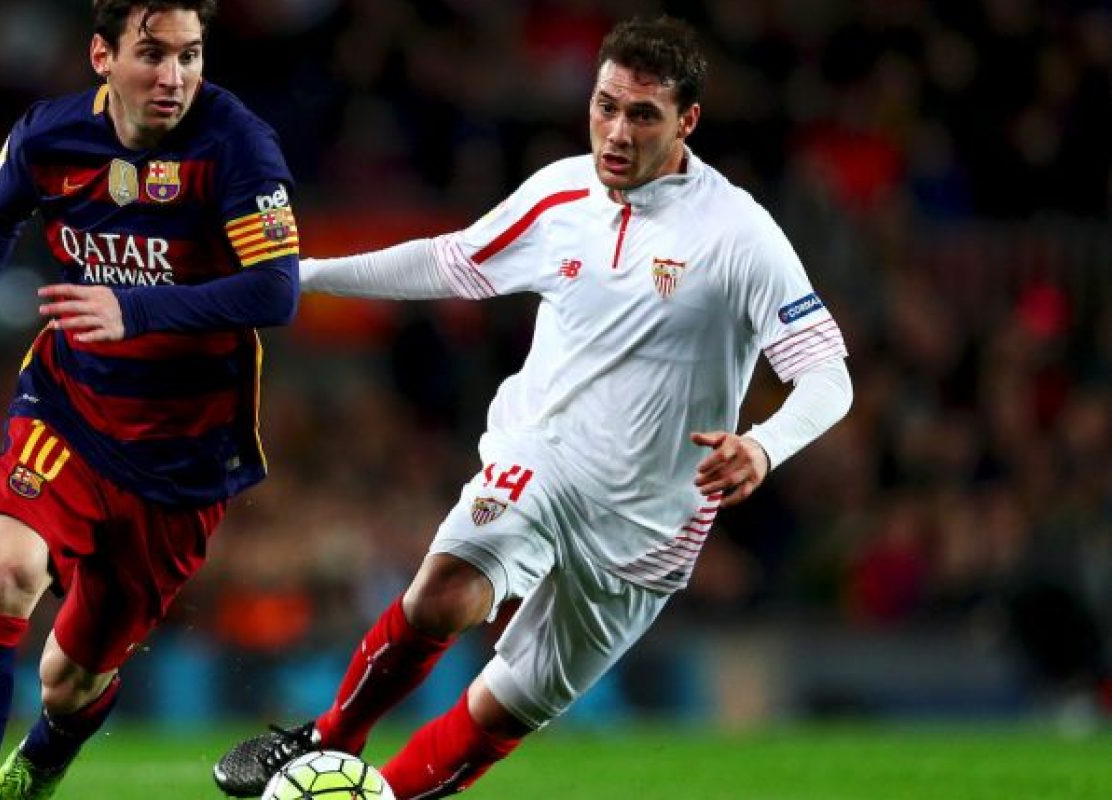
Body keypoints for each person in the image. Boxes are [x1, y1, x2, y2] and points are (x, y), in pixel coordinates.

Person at [213, 15, 852, 799]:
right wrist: (303, 276)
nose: (617, 132)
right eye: (605, 106)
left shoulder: (739, 235)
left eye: (643, 114)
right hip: (544, 457)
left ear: (687, 121)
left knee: (501, 711)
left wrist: (763, 445)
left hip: (648, 530)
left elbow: (828, 374)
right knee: (446, 590)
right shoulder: (561, 193)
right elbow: (450, 261)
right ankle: (328, 738)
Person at [0, 1, 302, 798]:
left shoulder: (235, 144)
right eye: (153, 54)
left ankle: (45, 758)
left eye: (190, 55)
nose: (173, 77)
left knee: (69, 680)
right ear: (102, 56)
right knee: (1, 574)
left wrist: (133, 309)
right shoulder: (51, 136)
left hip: (183, 453)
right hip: (69, 407)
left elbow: (276, 290)